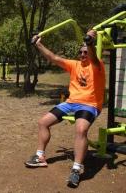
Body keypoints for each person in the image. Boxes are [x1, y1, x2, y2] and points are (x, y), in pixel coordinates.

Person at [25, 29, 106, 188]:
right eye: (81, 52)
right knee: (43, 122)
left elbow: (93, 56)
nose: (83, 55)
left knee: (81, 129)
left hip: (89, 105)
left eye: (86, 52)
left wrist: (89, 41)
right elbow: (53, 57)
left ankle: (76, 169)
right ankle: (40, 156)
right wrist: (38, 44)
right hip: (71, 102)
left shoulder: (97, 65)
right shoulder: (74, 65)